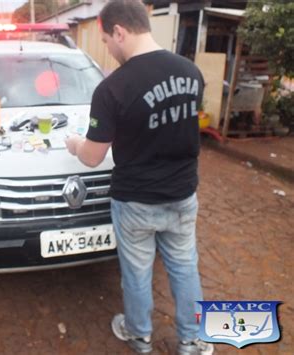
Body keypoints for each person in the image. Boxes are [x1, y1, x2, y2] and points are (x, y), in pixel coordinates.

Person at [65, 1, 213, 354]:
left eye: (106, 40)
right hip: (181, 194)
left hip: (135, 202)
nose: (107, 48)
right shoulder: (191, 72)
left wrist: (73, 144)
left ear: (120, 31)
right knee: (184, 267)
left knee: (137, 271)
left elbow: (92, 155)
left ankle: (139, 335)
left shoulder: (112, 88)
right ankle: (192, 342)